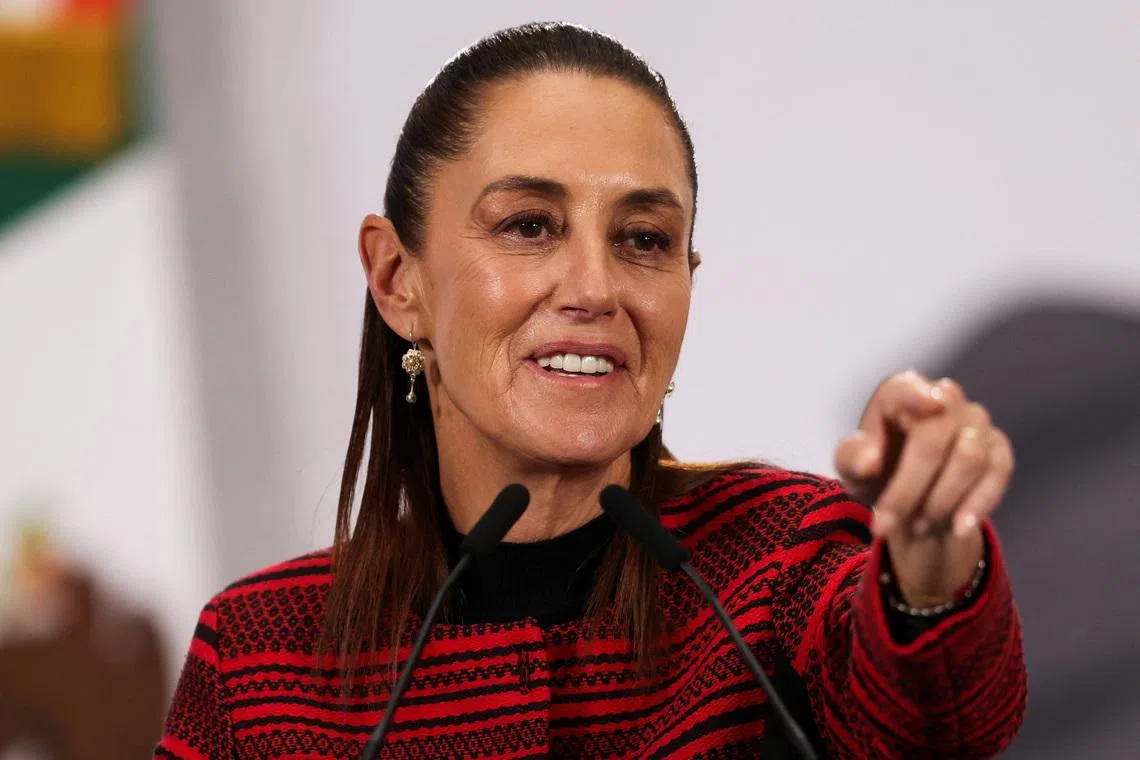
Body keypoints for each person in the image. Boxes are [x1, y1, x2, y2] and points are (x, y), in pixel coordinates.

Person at [155, 22, 1026, 759]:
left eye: (643, 239)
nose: (594, 289)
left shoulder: (776, 563)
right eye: (529, 225)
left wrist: (929, 560)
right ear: (395, 278)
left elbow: (931, 722)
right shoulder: (257, 663)